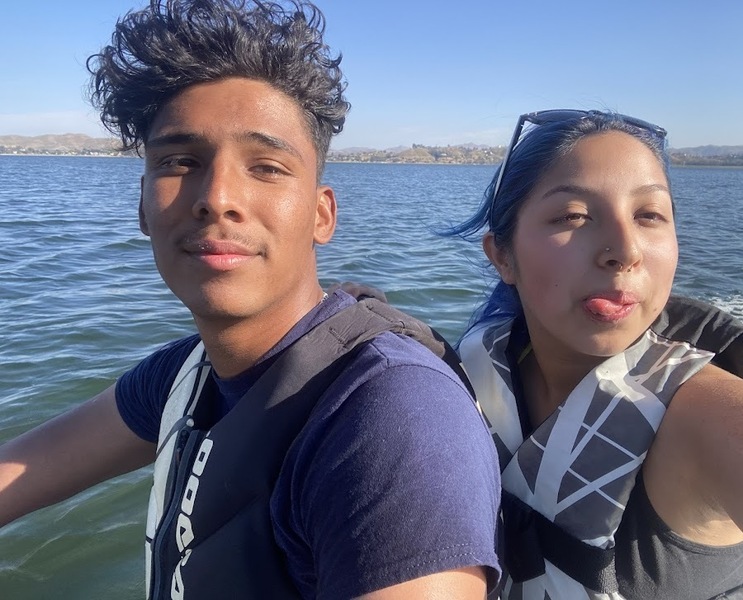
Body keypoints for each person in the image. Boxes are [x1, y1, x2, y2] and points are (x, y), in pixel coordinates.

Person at [0, 1, 501, 598]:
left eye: (266, 167)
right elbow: (20, 472)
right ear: (142, 207)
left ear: (322, 215)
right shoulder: (184, 379)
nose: (217, 198)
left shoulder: (392, 417)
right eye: (180, 161)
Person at [452, 109, 743, 599]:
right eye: (573, 216)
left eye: (649, 215)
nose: (625, 250)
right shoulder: (469, 370)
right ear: (502, 255)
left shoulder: (704, 417)